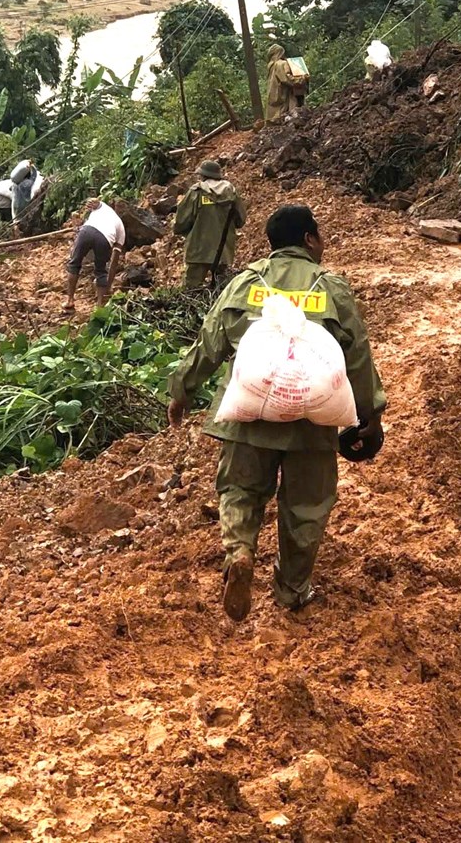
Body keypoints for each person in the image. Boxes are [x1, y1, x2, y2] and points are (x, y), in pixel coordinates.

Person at [167, 204, 386, 622]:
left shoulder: (246, 282)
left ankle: (240, 552)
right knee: (306, 506)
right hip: (312, 421)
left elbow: (209, 342)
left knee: (239, 491)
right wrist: (369, 412)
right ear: (308, 239)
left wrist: (182, 391)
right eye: (319, 236)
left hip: (247, 415)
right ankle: (291, 590)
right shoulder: (332, 287)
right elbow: (356, 355)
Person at [173, 159, 248, 289]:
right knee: (222, 290)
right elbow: (240, 219)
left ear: (202, 175)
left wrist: (181, 230)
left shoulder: (196, 192)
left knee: (192, 290)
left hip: (199, 250)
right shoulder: (231, 192)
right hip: (223, 250)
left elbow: (182, 221)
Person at [62, 197, 126, 313]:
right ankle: (100, 307)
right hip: (105, 239)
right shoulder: (122, 229)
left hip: (87, 231)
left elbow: (95, 202)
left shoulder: (105, 207)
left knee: (74, 264)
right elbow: (114, 261)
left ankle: (70, 300)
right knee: (101, 271)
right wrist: (109, 285)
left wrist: (90, 202)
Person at [266, 45, 301, 122]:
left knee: (273, 120)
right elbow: (288, 79)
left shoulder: (270, 65)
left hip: (274, 97)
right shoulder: (281, 64)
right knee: (286, 117)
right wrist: (302, 79)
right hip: (283, 96)